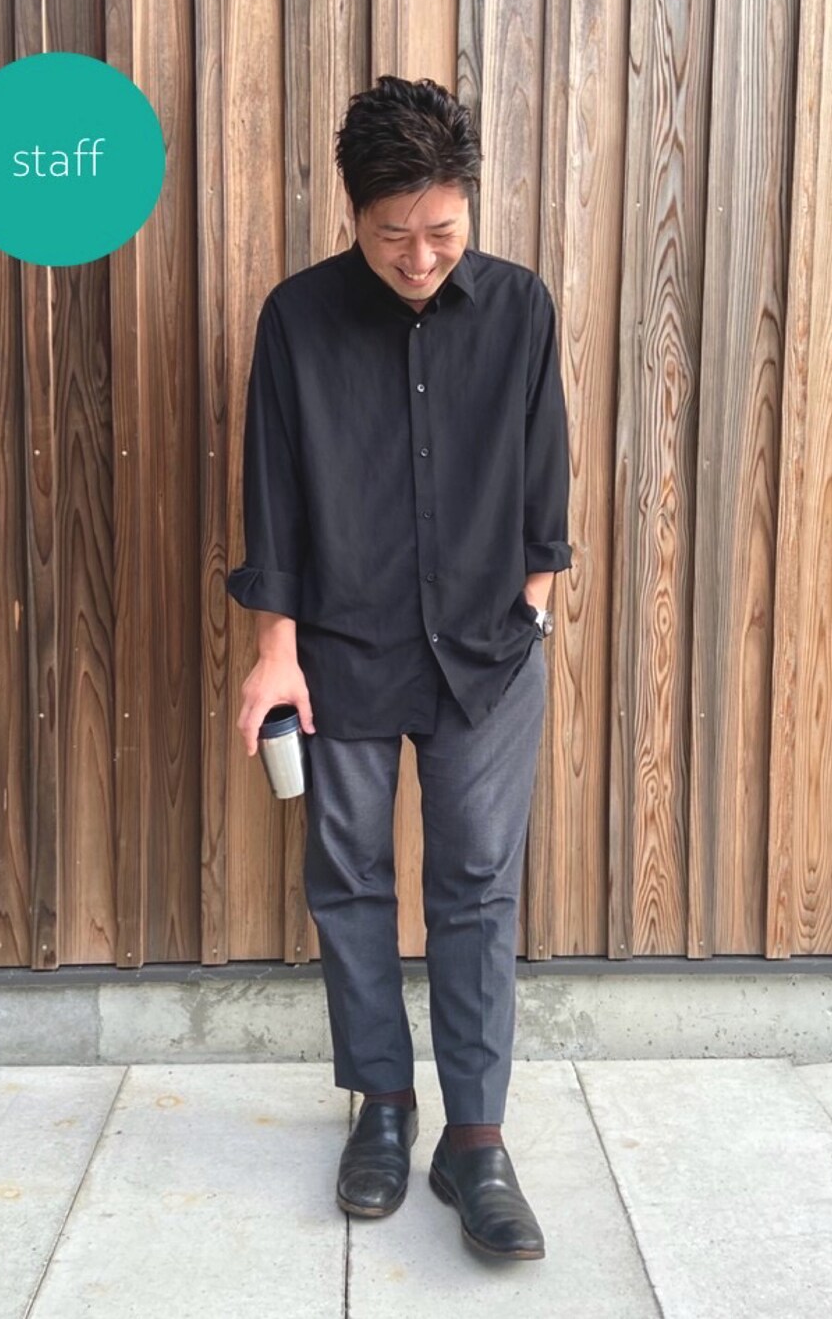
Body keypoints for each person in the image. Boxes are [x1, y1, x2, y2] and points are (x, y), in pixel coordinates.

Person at [227, 75, 571, 1262]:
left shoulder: (520, 308)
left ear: (467, 206)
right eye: (391, 235)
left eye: (441, 231)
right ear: (352, 213)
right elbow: (272, 496)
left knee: (476, 884)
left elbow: (545, 483)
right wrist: (274, 652)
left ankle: (475, 1139)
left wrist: (531, 615)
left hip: (489, 650)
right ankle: (381, 1103)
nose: (419, 258)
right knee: (349, 878)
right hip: (343, 645)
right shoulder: (296, 318)